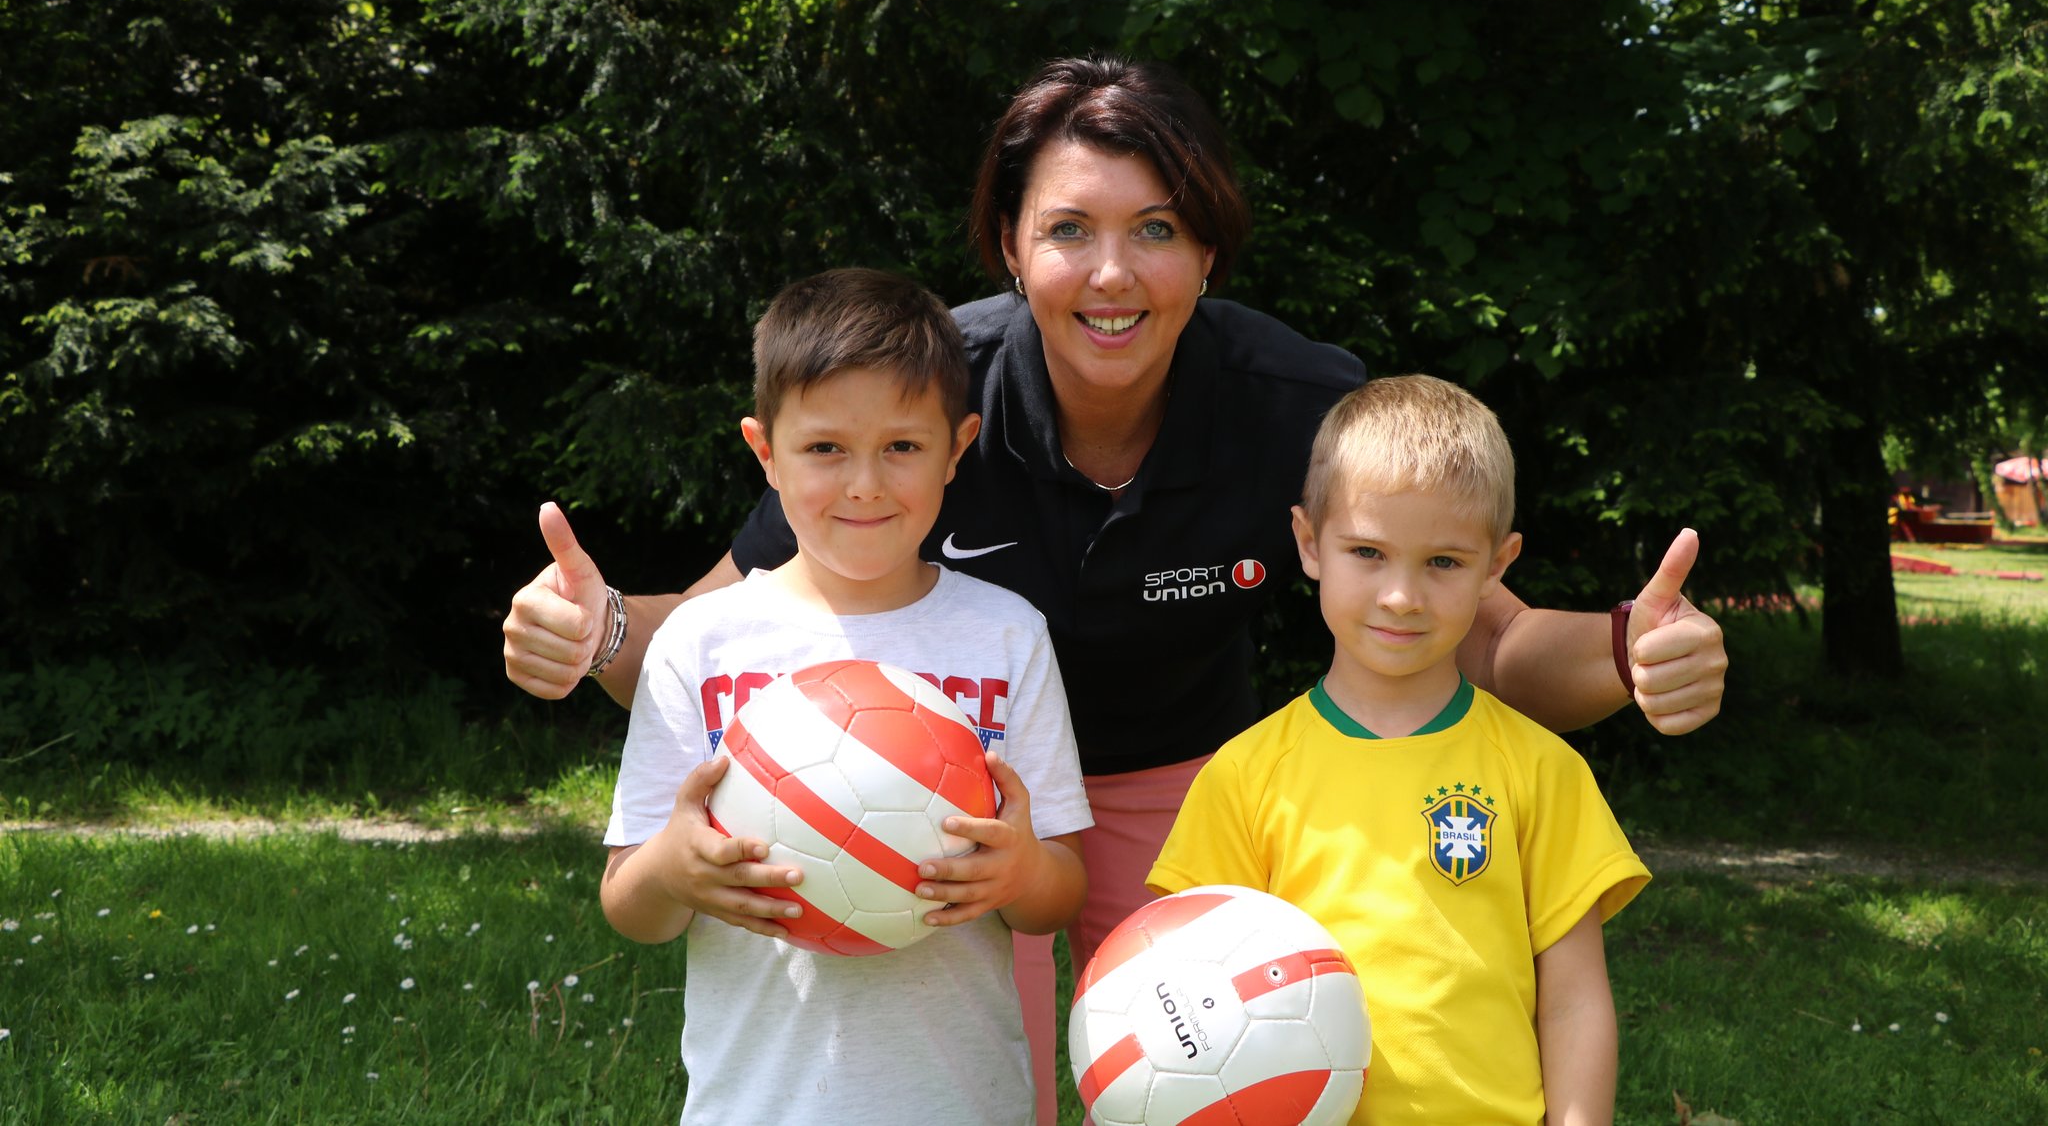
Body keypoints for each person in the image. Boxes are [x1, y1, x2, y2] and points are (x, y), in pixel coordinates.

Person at [507, 57, 1726, 1123]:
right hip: (937, 790)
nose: (1111, 272)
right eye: (1067, 230)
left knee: (1209, 1088)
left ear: (1206, 250)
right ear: (1009, 245)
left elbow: (1490, 644)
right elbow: (729, 614)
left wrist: (1626, 649)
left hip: (1198, 792)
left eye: (1155, 229)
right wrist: (598, 624)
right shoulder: (912, 401)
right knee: (990, 1081)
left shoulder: (1289, 402)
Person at [599, 268, 1091, 1126]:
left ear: (957, 447)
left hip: (961, 1102)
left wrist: (1020, 869)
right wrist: (674, 868)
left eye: (902, 446)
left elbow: (1059, 888)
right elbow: (630, 906)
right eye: (826, 448)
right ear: (765, 453)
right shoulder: (704, 642)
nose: (864, 483)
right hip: (759, 1105)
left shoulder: (1006, 636)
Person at [1147, 375, 1650, 1125]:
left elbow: (1575, 998)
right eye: (1369, 552)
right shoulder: (1247, 775)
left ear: (1497, 565)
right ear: (1310, 543)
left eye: (1443, 561)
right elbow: (1189, 988)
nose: (1401, 595)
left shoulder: (1542, 770)